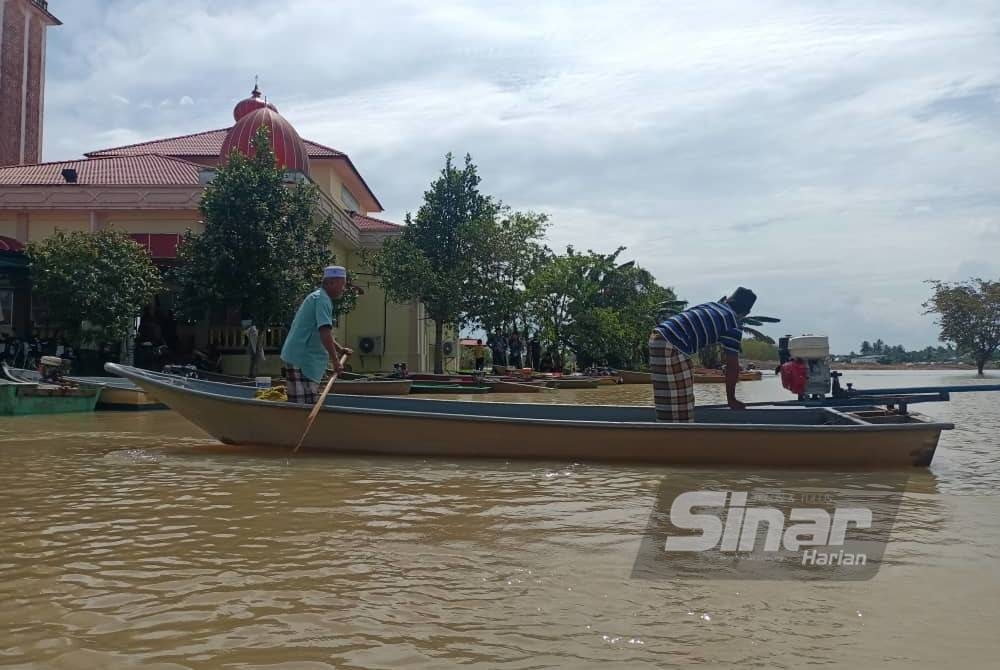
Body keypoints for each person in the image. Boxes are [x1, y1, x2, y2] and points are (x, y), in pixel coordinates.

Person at [649, 287, 757, 422]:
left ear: (728, 300)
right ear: (746, 312)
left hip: (657, 337)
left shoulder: (712, 305)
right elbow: (732, 367)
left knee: (666, 399)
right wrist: (731, 399)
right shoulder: (733, 323)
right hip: (673, 344)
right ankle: (677, 438)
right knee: (682, 407)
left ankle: (664, 433)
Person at [280, 266, 354, 404]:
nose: (343, 289)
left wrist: (339, 349)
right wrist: (335, 361)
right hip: (300, 357)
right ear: (331, 283)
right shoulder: (321, 300)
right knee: (300, 405)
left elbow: (323, 331)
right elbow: (324, 332)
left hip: (305, 359)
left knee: (310, 401)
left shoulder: (320, 297)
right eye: (342, 284)